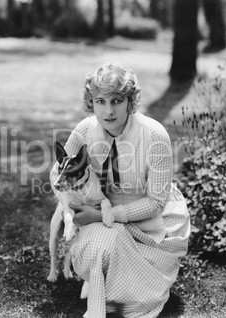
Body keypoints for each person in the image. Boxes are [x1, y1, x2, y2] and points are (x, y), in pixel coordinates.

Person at [50, 62, 190, 318]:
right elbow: (55, 173)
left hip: (150, 223)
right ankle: (100, 279)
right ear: (91, 102)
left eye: (117, 100)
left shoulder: (155, 135)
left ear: (130, 101)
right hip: (102, 218)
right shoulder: (84, 130)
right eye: (100, 101)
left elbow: (156, 202)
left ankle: (112, 287)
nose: (108, 110)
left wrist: (107, 214)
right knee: (103, 246)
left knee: (139, 299)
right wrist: (71, 204)